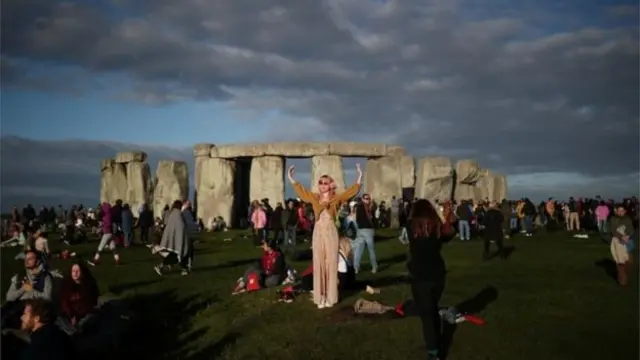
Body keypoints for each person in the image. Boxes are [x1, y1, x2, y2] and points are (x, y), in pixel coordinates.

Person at [288, 164, 362, 309]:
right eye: (320, 183)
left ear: (330, 185)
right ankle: (320, 296)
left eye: (325, 183)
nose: (322, 185)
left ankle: (330, 297)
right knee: (318, 263)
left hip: (331, 232)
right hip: (318, 233)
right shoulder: (314, 198)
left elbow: (350, 192)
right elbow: (302, 192)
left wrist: (359, 176)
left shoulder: (337, 198)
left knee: (331, 264)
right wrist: (291, 177)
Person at [406, 199, 455, 360]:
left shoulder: (411, 226)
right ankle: (437, 342)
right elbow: (449, 235)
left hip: (420, 274)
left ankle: (434, 351)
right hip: (437, 273)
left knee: (427, 315)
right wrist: (446, 215)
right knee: (432, 309)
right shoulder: (437, 226)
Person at [58, 262, 100, 335]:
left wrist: (78, 316)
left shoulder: (89, 285)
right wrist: (71, 315)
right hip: (69, 315)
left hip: (85, 314)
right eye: (73, 271)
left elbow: (91, 302)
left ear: (82, 272)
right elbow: (64, 302)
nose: (75, 273)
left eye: (78, 271)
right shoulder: (65, 285)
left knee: (90, 319)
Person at [154, 200, 191, 276]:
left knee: (175, 255)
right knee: (178, 255)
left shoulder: (173, 214)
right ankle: (161, 266)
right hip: (178, 239)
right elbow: (181, 228)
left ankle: (183, 269)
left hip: (172, 239)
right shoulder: (178, 215)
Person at [609, 204, 635, 286]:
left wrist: (628, 236)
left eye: (622, 211)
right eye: (619, 211)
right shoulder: (613, 219)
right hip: (617, 241)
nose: (620, 212)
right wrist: (621, 237)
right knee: (620, 261)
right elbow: (613, 230)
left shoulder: (627, 219)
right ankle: (622, 279)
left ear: (625, 211)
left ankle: (625, 273)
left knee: (628, 260)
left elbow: (631, 229)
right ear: (616, 211)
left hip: (627, 241)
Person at [89, 202, 120, 267]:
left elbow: (104, 221)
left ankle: (95, 259)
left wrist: (102, 224)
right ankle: (117, 260)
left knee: (100, 247)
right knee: (113, 248)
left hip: (106, 233)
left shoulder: (105, 216)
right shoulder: (109, 214)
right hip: (111, 233)